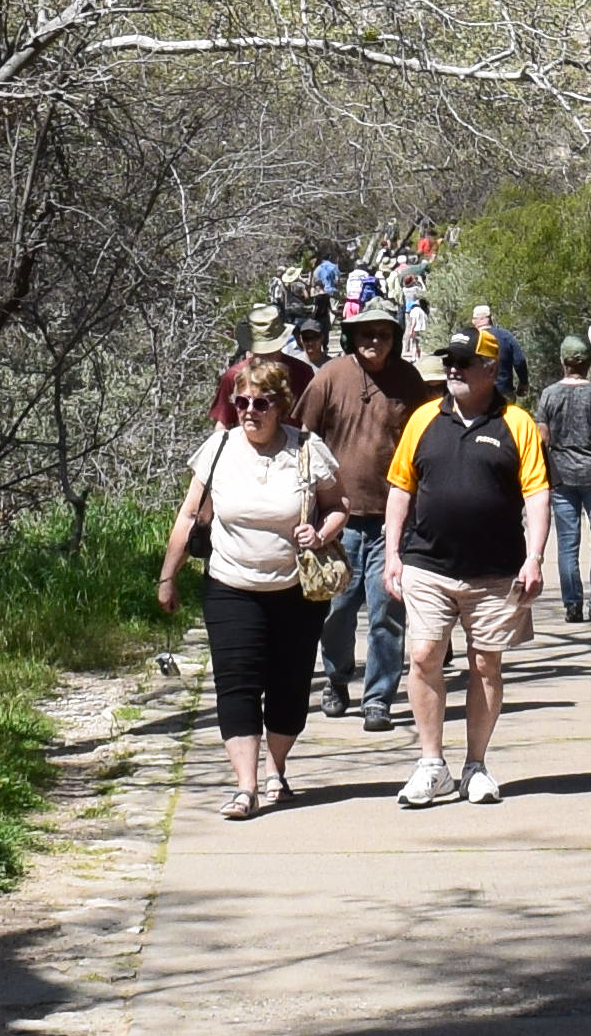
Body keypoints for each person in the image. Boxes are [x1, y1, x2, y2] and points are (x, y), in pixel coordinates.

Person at [156, 353, 339, 818]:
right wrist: (168, 575)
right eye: (242, 402)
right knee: (236, 685)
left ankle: (276, 769)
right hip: (230, 584)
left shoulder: (306, 449)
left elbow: (341, 506)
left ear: (281, 405)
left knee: (290, 687)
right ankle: (246, 786)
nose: (250, 412)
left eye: (261, 403)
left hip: (295, 590)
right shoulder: (218, 449)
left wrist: (321, 532)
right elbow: (187, 514)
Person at [377, 325, 551, 808]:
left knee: (485, 663)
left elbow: (538, 494)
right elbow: (400, 489)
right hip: (427, 563)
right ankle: (431, 764)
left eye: (463, 361)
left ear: (491, 369)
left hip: (496, 571)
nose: (452, 369)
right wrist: (392, 554)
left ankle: (476, 765)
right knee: (423, 656)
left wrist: (535, 556)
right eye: (449, 361)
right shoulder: (423, 419)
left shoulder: (516, 423)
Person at [300, 300, 420, 726]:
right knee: (337, 610)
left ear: (395, 339)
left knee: (388, 610)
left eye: (383, 334)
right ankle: (335, 678)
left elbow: (425, 445)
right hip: (338, 519)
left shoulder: (409, 382)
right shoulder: (331, 376)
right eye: (366, 333)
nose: (374, 341)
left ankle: (379, 698)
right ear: (352, 336)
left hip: (392, 518)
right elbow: (302, 439)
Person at [535, 329, 591, 625]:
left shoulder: (549, 395)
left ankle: (572, 603)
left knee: (568, 542)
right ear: (588, 362)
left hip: (561, 475)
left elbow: (542, 438)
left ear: (563, 362)